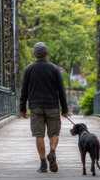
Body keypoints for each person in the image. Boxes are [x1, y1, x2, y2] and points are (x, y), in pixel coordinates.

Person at [20, 42, 68, 173]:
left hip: (36, 107)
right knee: (54, 133)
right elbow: (61, 90)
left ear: (34, 54)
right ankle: (52, 151)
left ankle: (43, 164)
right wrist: (64, 109)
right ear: (46, 53)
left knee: (38, 135)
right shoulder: (54, 69)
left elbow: (24, 90)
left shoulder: (29, 69)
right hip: (52, 106)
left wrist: (22, 108)